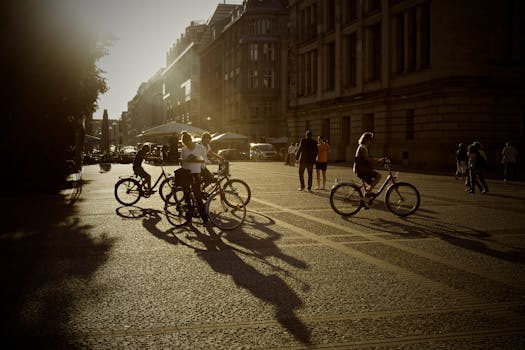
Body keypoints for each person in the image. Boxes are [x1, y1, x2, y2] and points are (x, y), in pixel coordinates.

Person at [180, 132, 208, 222]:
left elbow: (205, 160)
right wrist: (184, 160)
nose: (188, 145)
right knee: (186, 194)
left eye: (188, 143)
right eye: (186, 144)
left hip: (196, 173)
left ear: (191, 140)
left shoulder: (199, 147)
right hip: (186, 173)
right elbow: (181, 162)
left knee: (198, 195)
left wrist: (197, 160)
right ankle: (188, 215)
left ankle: (204, 218)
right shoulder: (184, 150)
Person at [353, 132, 383, 197]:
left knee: (372, 183)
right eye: (370, 139)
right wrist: (378, 161)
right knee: (379, 176)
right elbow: (367, 159)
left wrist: (376, 160)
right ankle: (368, 193)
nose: (371, 141)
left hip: (361, 169)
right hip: (361, 170)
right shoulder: (362, 148)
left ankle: (367, 195)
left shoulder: (363, 147)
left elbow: (367, 158)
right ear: (366, 140)